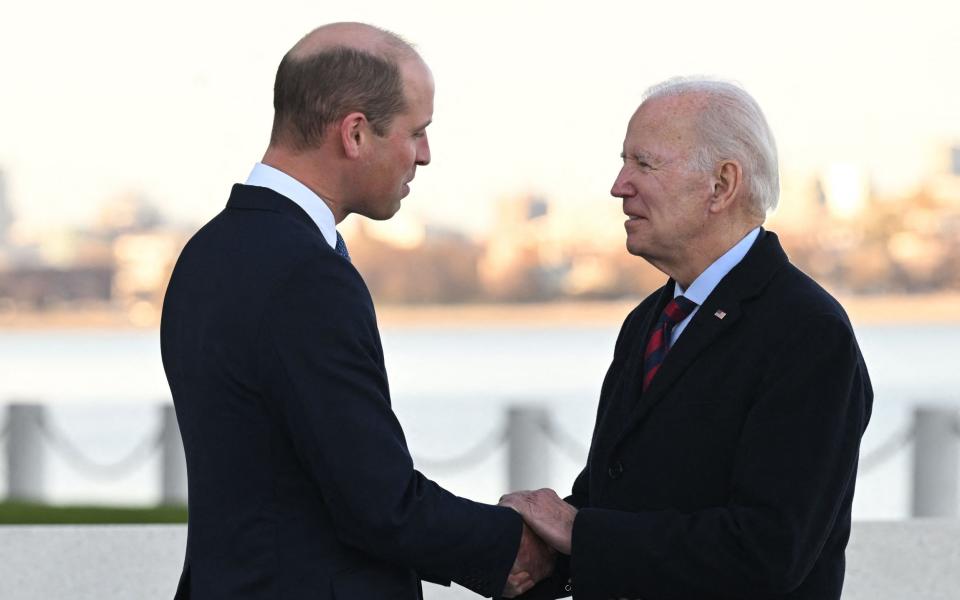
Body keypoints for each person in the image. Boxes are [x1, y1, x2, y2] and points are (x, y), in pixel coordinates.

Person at [161, 22, 551, 599]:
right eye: (416, 132)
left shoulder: (207, 253)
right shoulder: (305, 274)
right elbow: (378, 503)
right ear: (355, 133)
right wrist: (530, 551)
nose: (425, 155)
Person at [500, 78, 873, 599]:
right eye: (623, 162)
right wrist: (528, 552)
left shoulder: (807, 332)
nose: (619, 185)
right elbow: (614, 503)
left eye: (644, 164)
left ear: (722, 185)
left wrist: (577, 533)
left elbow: (767, 551)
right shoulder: (649, 321)